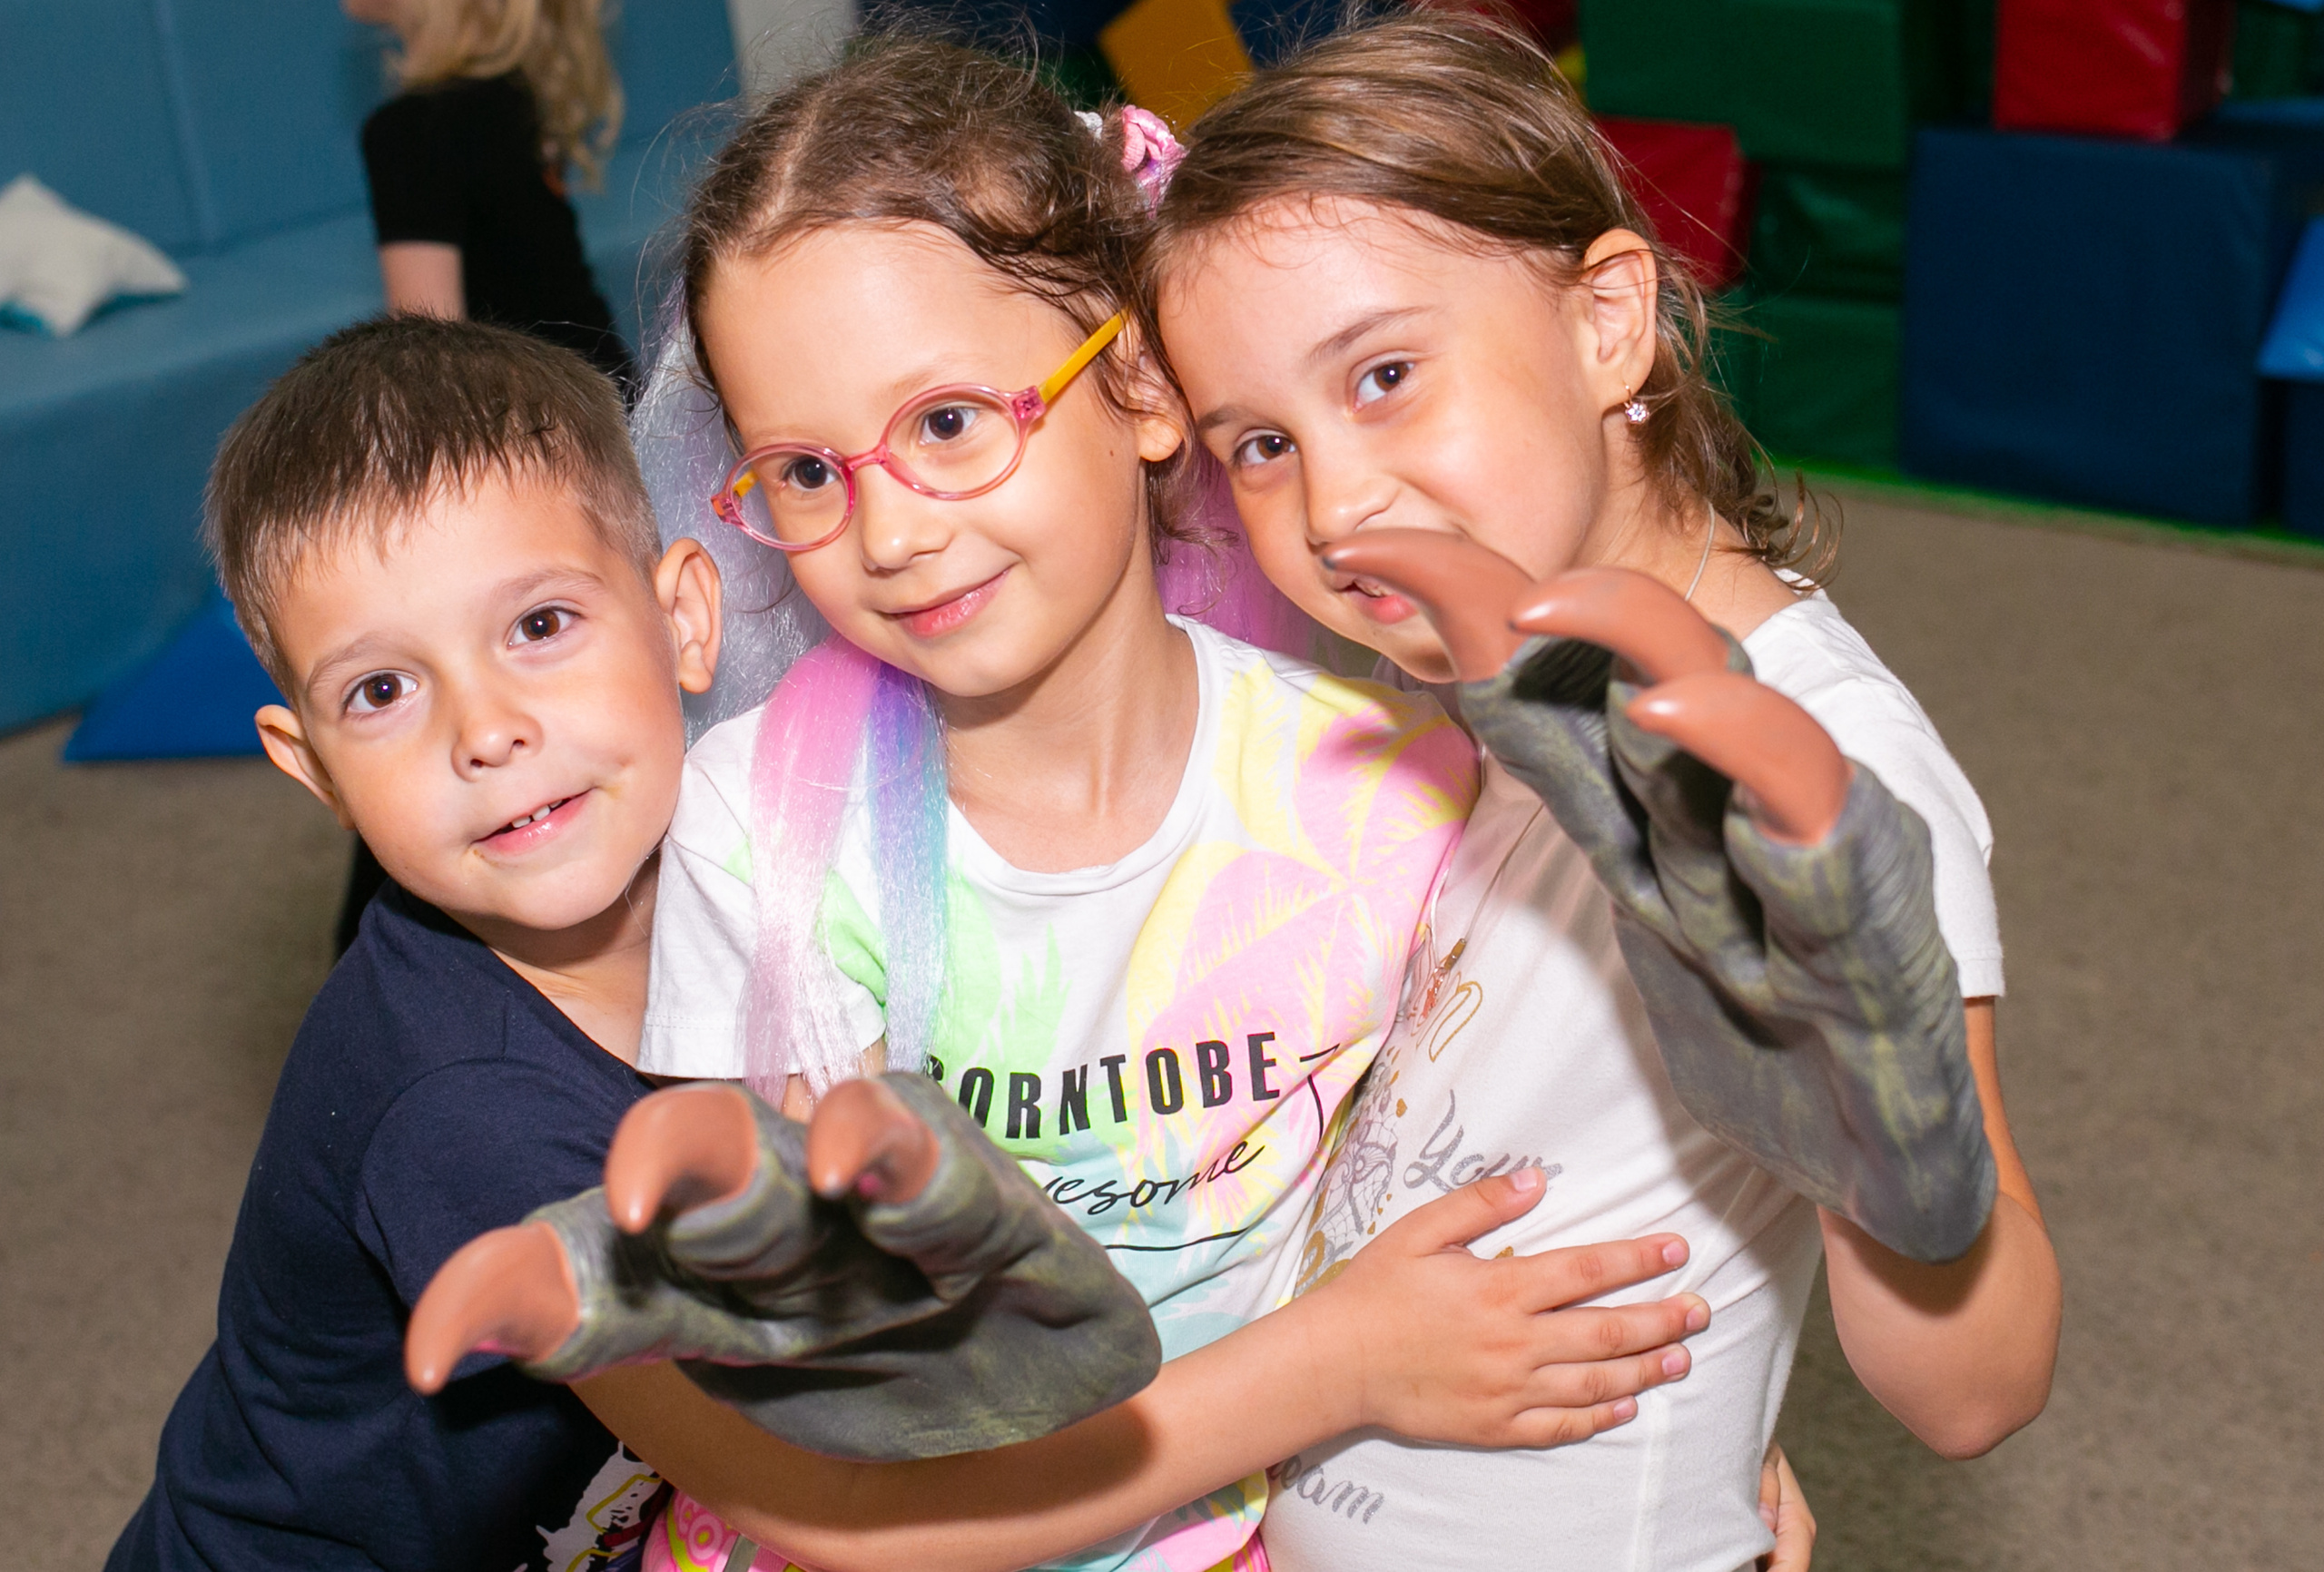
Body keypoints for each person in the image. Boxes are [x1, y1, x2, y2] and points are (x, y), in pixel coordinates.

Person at [406, 38, 1722, 1572]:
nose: (891, 530)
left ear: (1147, 385)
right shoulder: (756, 826)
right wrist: (1342, 1363)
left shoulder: (1396, 793)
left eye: (952, 423)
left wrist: (1686, 1463)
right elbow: (823, 1406)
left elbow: (1512, 1173)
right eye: (808, 471)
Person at [1143, 15, 2063, 1568]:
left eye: (1384, 374)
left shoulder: (1819, 772)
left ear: (1610, 320)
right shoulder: (1472, 693)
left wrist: (1870, 1123)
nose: (1332, 501)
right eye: (1262, 441)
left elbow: (1976, 1389)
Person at [104, 317, 721, 1570]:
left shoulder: (777, 866)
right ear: (312, 768)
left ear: (686, 619)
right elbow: (814, 1490)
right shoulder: (462, 1109)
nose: (485, 731)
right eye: (382, 691)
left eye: (541, 624)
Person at [336, 0, 638, 952]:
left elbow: (424, 361)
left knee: (444, 706)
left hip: (534, 453)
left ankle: (386, 954)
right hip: (613, 424)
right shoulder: (501, 98)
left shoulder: (410, 129)